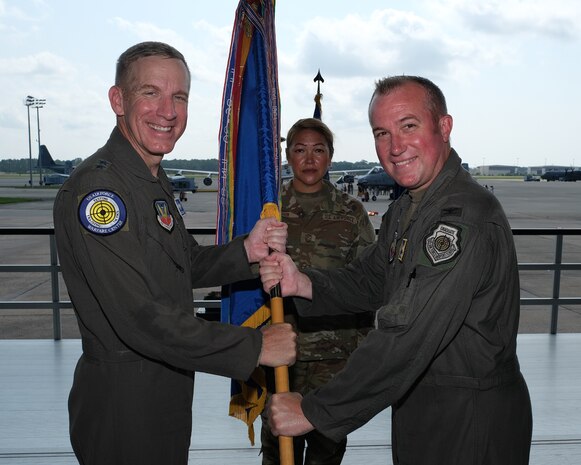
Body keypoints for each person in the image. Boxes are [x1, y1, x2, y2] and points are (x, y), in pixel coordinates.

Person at [260, 76, 532, 465]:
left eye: (408, 126)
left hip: (469, 416)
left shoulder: (461, 218)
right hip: (422, 404)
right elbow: (370, 278)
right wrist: (303, 282)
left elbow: (407, 334)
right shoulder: (409, 208)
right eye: (382, 133)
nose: (395, 147)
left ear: (444, 126)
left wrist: (314, 410)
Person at [53, 41, 296, 465]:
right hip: (124, 401)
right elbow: (139, 318)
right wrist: (253, 346)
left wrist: (247, 250)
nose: (168, 111)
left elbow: (186, 262)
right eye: (151, 93)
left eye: (179, 97)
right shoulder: (101, 192)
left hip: (165, 385)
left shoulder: (150, 178)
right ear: (118, 100)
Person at [260, 118, 376, 465]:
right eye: (300, 150)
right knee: (280, 451)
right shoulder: (269, 211)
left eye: (318, 150)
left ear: (330, 157)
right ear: (287, 156)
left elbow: (367, 281)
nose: (309, 159)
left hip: (336, 354)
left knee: (327, 449)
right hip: (281, 352)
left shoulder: (350, 212)